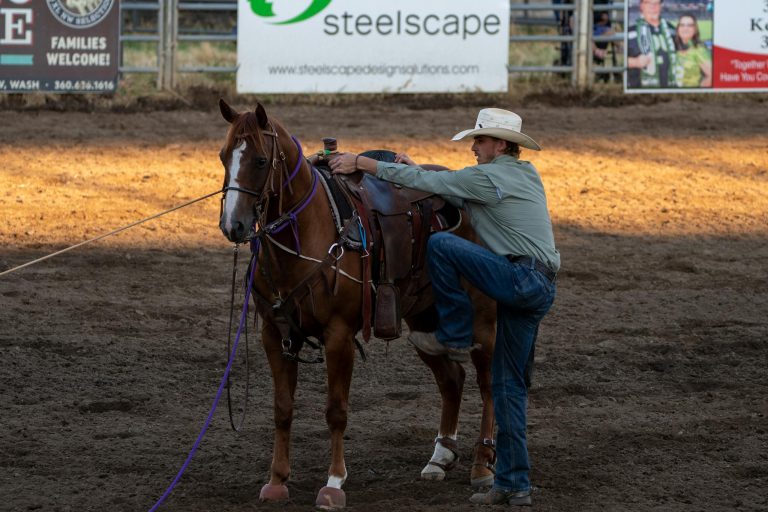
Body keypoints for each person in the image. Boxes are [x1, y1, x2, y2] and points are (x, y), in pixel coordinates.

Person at [329, 109, 559, 507]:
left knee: (443, 245)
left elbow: (440, 183)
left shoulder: (489, 176)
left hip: (521, 280)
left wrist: (361, 162)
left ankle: (453, 335)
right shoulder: (524, 175)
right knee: (508, 388)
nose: (473, 147)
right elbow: (449, 187)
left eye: (480, 141)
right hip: (537, 286)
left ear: (500, 145)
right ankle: (513, 485)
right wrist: (417, 169)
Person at [627, 0, 678, 88]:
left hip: (670, 89)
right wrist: (634, 62)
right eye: (648, 3)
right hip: (640, 92)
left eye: (656, 3)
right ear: (641, 5)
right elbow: (619, 60)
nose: (653, 7)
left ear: (661, 6)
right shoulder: (630, 31)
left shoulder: (672, 30)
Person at [674, 14, 712, 88]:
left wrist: (697, 90)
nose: (685, 28)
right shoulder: (672, 47)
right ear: (678, 29)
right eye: (682, 25)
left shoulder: (699, 50)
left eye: (690, 25)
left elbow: (712, 76)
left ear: (695, 30)